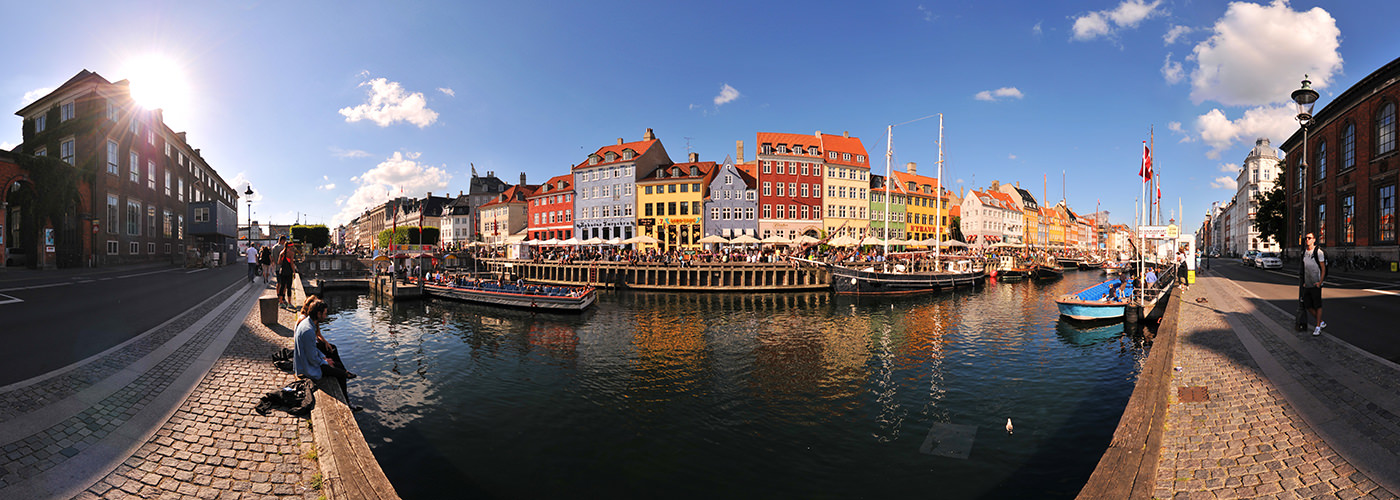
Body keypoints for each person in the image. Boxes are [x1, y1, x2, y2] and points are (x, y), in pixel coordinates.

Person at [292, 298, 361, 411]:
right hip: (308, 368)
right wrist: (325, 361)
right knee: (340, 373)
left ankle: (346, 386)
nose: (326, 315)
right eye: (324, 313)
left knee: (336, 365)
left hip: (309, 361)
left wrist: (323, 357)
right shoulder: (308, 330)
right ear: (318, 314)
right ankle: (347, 402)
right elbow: (312, 358)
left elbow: (313, 350)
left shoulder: (308, 324)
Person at [1302, 232, 1326, 336]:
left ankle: (1317, 327)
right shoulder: (1304, 252)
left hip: (1316, 283)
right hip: (1307, 284)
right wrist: (1304, 282)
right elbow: (1304, 268)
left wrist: (1320, 282)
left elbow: (1323, 268)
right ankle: (1320, 322)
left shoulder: (1318, 252)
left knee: (1317, 305)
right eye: (1306, 238)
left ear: (1314, 239)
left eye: (1309, 238)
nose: (1307, 240)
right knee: (1307, 305)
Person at [276, 236, 298, 308]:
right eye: (291, 246)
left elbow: (279, 262)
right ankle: (289, 303)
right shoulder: (291, 253)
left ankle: (281, 302)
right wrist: (294, 272)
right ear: (289, 246)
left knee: (282, 287)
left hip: (282, 271)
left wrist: (284, 259)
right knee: (289, 287)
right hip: (288, 272)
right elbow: (291, 263)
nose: (292, 247)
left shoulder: (281, 252)